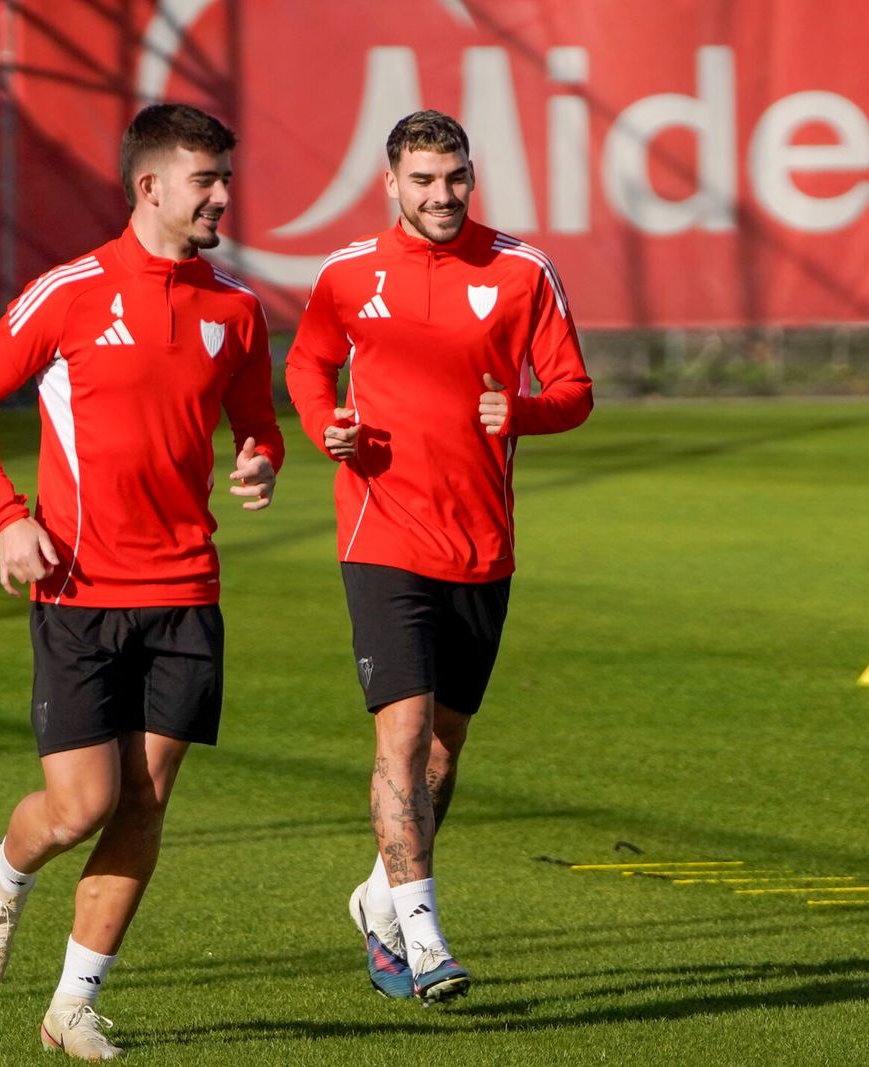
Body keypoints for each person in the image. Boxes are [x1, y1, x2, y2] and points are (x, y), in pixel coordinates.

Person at [0, 103, 283, 1061]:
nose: (222, 196)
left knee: (145, 800)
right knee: (80, 805)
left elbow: (259, 423)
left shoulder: (235, 308)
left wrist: (261, 458)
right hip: (79, 590)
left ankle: (73, 1004)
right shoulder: (70, 292)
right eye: (206, 180)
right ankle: (5, 878)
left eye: (225, 178)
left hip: (186, 591)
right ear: (150, 186)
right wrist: (8, 516)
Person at [284, 110, 592, 1005]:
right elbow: (307, 366)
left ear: (471, 176)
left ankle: (380, 900)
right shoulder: (348, 273)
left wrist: (523, 411)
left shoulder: (523, 270)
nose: (441, 194)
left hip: (482, 546)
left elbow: (574, 390)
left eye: (454, 176)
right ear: (391, 183)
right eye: (422, 179)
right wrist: (325, 425)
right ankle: (425, 942)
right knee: (404, 732)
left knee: (442, 757)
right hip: (381, 533)